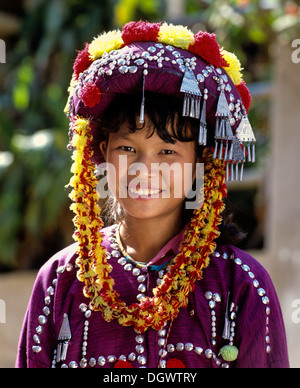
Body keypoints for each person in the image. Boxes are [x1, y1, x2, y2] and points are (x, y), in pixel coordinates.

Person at [16, 21, 289, 368]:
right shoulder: (60, 280)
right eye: (128, 148)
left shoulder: (241, 284)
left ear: (198, 164)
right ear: (104, 153)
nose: (144, 168)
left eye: (167, 152)